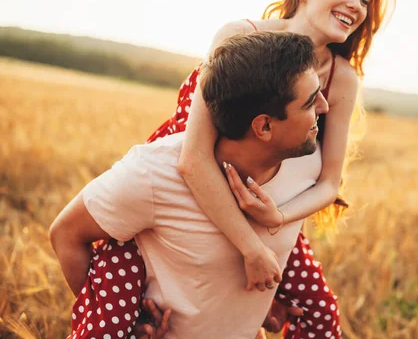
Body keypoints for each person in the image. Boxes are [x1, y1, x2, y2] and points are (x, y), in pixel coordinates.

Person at [66, 0, 396, 338]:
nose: (356, 5)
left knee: (321, 315)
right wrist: (251, 249)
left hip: (264, 207)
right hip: (184, 194)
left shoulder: (340, 78)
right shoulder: (242, 38)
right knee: (125, 311)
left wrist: (277, 220)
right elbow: (194, 156)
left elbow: (328, 182)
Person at [50, 31, 330, 338]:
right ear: (264, 126)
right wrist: (127, 323)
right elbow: (66, 233)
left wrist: (265, 303)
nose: (325, 107)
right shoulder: (152, 174)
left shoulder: (307, 165)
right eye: (309, 102)